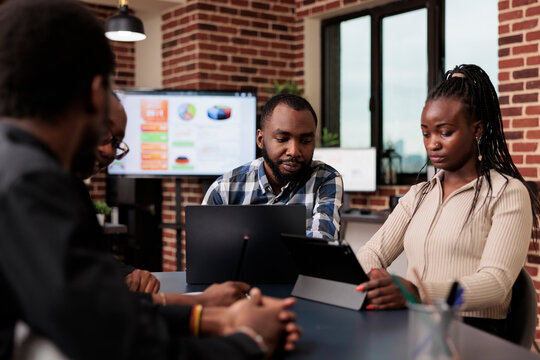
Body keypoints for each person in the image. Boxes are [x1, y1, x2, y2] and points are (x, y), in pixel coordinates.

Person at [0, 1, 299, 359]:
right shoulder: (34, 184)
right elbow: (118, 346)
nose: (111, 153)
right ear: (96, 95)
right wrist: (251, 341)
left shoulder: (13, 167)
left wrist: (202, 315)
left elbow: (98, 315)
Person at [355, 64, 540, 340]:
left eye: (445, 132)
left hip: (473, 333)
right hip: (416, 325)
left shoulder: (507, 193)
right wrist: (375, 280)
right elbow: (372, 252)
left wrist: (418, 293)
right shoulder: (419, 195)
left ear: (476, 130)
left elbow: (496, 284)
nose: (433, 144)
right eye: (426, 133)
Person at [92, 92, 253, 305]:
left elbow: (89, 263)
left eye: (116, 145)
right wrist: (201, 305)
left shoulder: (67, 190)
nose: (110, 153)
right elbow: (86, 301)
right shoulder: (45, 189)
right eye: (107, 137)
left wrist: (127, 274)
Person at [202, 93, 343, 241]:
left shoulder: (325, 180)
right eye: (282, 139)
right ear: (261, 140)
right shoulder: (224, 189)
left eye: (305, 140)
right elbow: (205, 252)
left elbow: (321, 246)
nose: (294, 151)